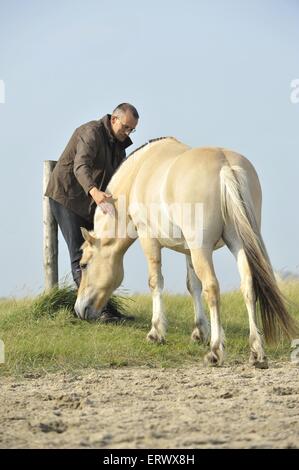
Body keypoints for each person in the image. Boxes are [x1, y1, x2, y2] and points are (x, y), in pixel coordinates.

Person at [45, 103, 139, 321]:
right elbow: (81, 165)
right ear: (114, 119)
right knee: (81, 254)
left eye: (132, 130)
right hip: (67, 198)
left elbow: (120, 179)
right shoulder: (91, 132)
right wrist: (94, 190)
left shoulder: (119, 146)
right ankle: (97, 313)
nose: (128, 133)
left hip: (91, 205)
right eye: (126, 127)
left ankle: (102, 307)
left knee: (97, 255)